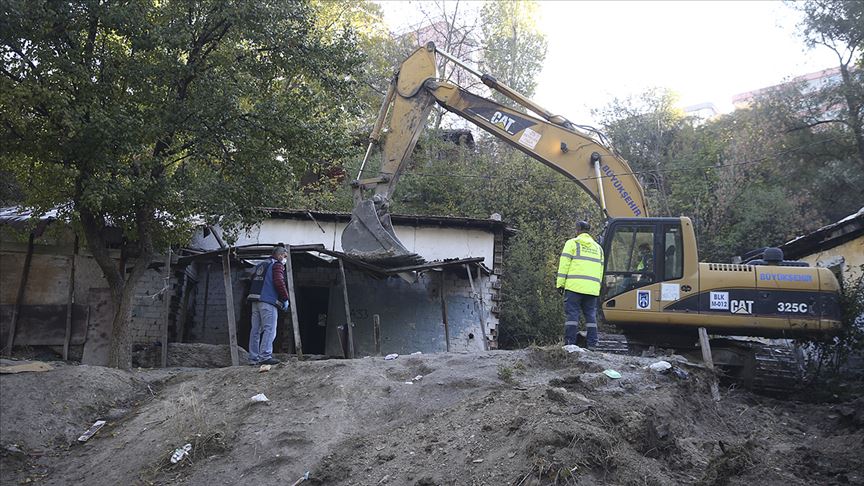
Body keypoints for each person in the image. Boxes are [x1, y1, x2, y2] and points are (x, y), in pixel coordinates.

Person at [556, 220, 604, 348]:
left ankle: (569, 344)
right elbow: (600, 270)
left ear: (577, 230)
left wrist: (560, 284)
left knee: (572, 316)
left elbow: (564, 265)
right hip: (592, 289)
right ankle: (592, 344)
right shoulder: (598, 248)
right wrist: (597, 288)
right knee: (591, 317)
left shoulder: (572, 243)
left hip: (574, 287)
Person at [247, 246, 291, 365]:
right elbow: (279, 282)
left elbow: (250, 278)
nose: (285, 259)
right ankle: (265, 356)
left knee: (255, 330)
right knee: (269, 329)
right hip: (267, 301)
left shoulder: (261, 264)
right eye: (285, 256)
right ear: (280, 255)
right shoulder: (277, 265)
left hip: (255, 301)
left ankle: (253, 358)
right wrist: (285, 298)